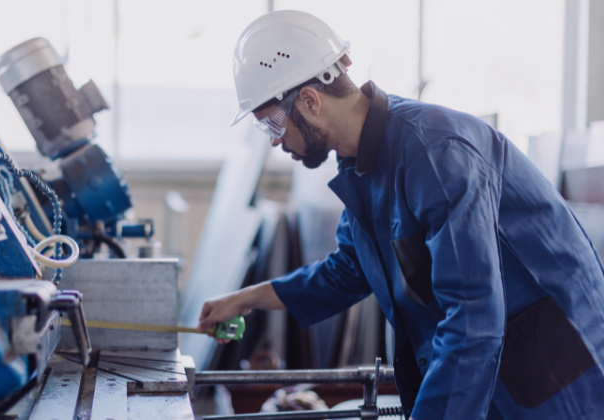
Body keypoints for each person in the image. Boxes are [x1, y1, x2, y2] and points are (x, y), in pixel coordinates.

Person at [197, 10, 604, 420]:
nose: (273, 141)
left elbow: (473, 317)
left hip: (552, 378)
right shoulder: (361, 166)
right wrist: (246, 299)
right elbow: (349, 271)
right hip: (490, 371)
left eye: (272, 124)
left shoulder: (437, 152)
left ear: (309, 100)